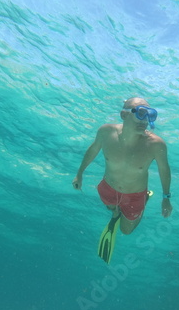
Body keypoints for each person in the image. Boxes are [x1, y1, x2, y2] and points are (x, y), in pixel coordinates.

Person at [72, 97, 173, 263]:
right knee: (110, 207)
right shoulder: (106, 132)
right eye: (140, 113)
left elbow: (164, 170)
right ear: (124, 115)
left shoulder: (156, 144)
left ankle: (144, 199)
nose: (145, 120)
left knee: (126, 231)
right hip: (107, 188)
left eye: (149, 115)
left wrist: (166, 198)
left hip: (135, 195)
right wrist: (79, 173)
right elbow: (93, 150)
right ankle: (115, 212)